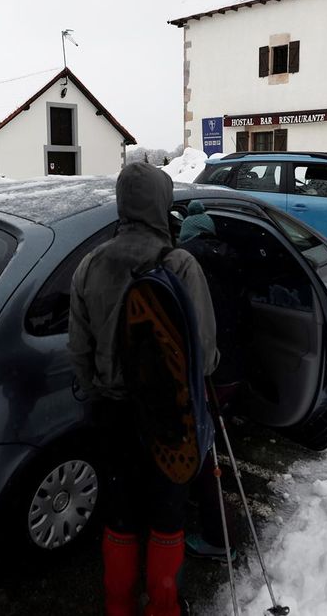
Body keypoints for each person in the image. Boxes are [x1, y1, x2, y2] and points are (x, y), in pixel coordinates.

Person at [70, 164, 219, 616]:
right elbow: (206, 355)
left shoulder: (90, 264)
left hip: (111, 415)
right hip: (168, 417)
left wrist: (98, 390)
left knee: (120, 513)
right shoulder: (180, 264)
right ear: (161, 203)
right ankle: (163, 606)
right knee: (166, 515)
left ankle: (119, 606)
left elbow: (78, 350)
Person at [177, 201, 243, 563]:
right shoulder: (229, 257)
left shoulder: (185, 263)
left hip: (208, 369)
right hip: (234, 366)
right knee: (214, 439)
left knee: (204, 454)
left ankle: (220, 538)